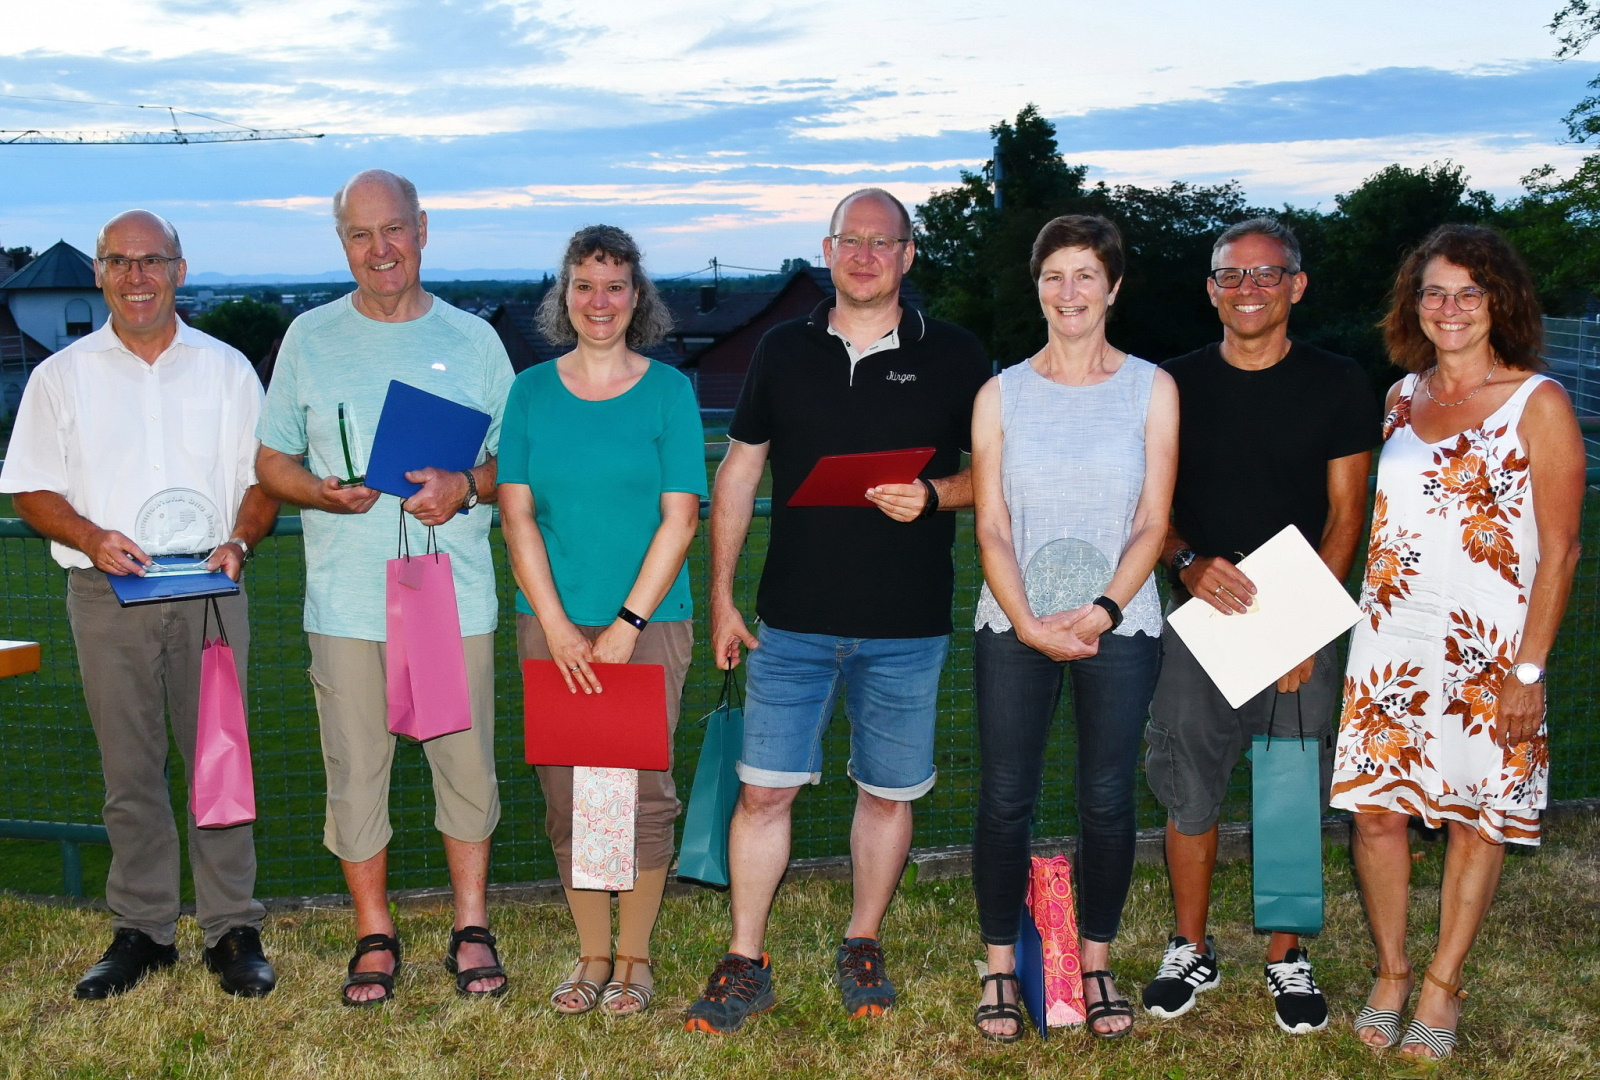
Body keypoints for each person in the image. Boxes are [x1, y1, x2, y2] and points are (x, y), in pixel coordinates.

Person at [683, 188, 989, 1034]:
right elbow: (739, 472)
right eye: (850, 240)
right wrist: (722, 599)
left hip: (908, 624)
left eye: (881, 242)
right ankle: (746, 958)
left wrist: (936, 493)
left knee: (887, 795)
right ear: (827, 250)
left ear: (908, 255)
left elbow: (998, 472)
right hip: (791, 622)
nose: (864, 255)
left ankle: (862, 940)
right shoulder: (783, 349)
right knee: (762, 793)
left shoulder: (956, 353)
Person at [0, 210, 279, 999]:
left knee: (220, 759)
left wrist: (242, 539)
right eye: (119, 262)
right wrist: (91, 537)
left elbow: (262, 479)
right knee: (129, 770)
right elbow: (30, 488)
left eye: (152, 260)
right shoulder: (61, 377)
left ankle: (232, 928)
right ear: (99, 273)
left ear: (179, 271)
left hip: (211, 591)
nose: (136, 276)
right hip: (106, 593)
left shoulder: (228, 369)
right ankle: (144, 931)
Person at [256, 170, 515, 1006]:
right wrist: (315, 490)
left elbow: (517, 464)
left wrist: (464, 487)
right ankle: (375, 931)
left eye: (393, 229)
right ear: (343, 243)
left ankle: (470, 925)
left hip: (448, 597)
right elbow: (270, 460)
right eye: (361, 235)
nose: (380, 250)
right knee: (356, 771)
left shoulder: (475, 341)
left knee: (464, 768)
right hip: (347, 601)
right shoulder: (308, 337)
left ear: (423, 229)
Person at [1333, 225, 1583, 1061]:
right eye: (1435, 292)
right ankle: (1392, 972)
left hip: (1493, 651)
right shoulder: (1400, 397)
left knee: (1478, 818)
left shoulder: (1537, 402)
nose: (1450, 308)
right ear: (1415, 304)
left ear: (1499, 302)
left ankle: (1442, 985)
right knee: (1376, 813)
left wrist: (1528, 671)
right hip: (1392, 640)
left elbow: (1561, 550)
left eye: (1469, 293)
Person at [1141, 217, 1381, 1034]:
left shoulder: (1339, 382)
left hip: (1299, 622)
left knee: (1290, 781)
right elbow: (1150, 507)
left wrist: (1298, 629)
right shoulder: (1170, 385)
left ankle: (1286, 953)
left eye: (1267, 274)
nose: (1249, 289)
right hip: (1200, 619)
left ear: (1297, 286)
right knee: (1188, 786)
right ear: (1211, 290)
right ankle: (1190, 945)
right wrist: (1185, 563)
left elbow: (1346, 518)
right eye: (1231, 276)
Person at [969, 215, 1177, 1041]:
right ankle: (999, 967)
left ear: (1113, 287)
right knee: (1004, 799)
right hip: (1012, 620)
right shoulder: (1001, 395)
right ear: (1038, 288)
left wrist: (1103, 610)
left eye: (1086, 274)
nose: (1069, 291)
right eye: (1053, 275)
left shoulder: (1152, 389)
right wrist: (1026, 621)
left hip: (1120, 622)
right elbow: (991, 524)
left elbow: (1153, 519)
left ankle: (1094, 964)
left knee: (1106, 799)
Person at [499, 225, 705, 1016]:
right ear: (564, 295)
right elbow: (517, 517)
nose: (599, 301)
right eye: (584, 284)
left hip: (649, 625)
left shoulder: (669, 393)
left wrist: (625, 624)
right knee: (571, 793)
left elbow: (680, 518)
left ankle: (634, 958)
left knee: (640, 793)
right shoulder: (530, 392)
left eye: (615, 285)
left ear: (636, 297)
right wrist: (557, 625)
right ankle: (591, 953)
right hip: (551, 625)